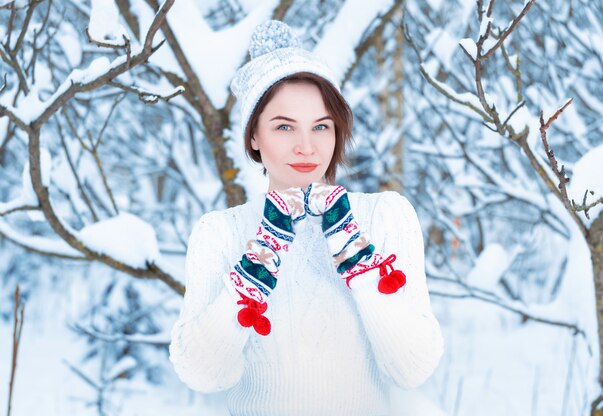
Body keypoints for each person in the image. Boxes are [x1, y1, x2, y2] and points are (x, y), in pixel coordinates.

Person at [169, 20, 444, 416]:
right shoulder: (222, 232)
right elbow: (202, 373)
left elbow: (413, 367)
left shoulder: (384, 216)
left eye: (321, 126)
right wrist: (251, 276)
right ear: (253, 137)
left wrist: (359, 265)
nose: (306, 146)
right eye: (284, 127)